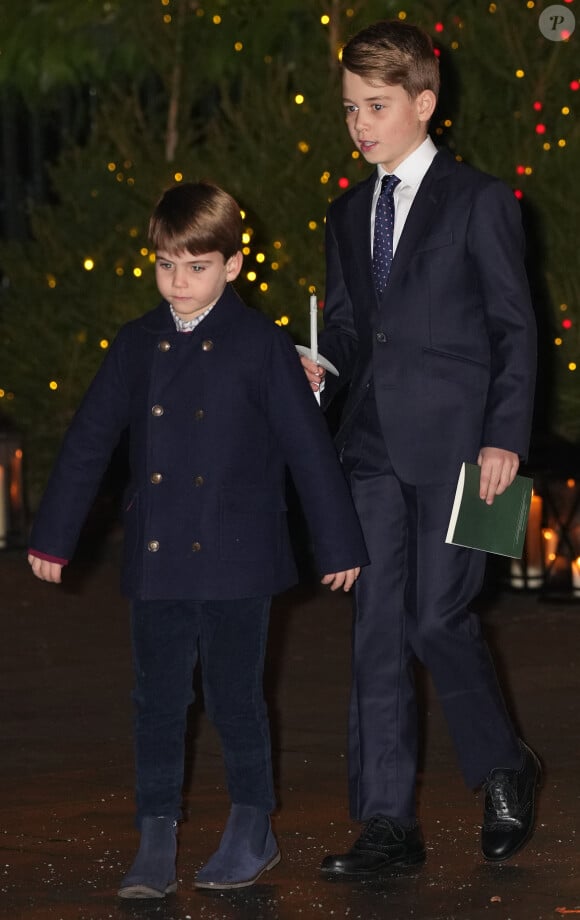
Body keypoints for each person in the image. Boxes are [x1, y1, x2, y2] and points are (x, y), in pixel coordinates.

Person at [28, 181, 368, 898]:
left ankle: (252, 823)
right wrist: (55, 534)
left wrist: (339, 544)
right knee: (156, 698)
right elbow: (90, 439)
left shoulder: (262, 344)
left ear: (234, 265)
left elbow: (307, 449)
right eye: (166, 266)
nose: (179, 284)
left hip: (239, 556)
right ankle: (156, 833)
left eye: (197, 267)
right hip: (158, 555)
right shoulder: (136, 344)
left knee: (234, 694)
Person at [301, 19, 540, 875]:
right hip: (369, 451)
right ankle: (387, 826)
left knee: (440, 618)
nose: (359, 123)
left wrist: (505, 439)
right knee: (375, 632)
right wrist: (319, 368)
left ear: (424, 103)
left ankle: (506, 765)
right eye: (349, 108)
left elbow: (518, 329)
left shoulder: (481, 201)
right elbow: (353, 333)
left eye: (375, 105)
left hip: (473, 458)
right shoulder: (345, 212)